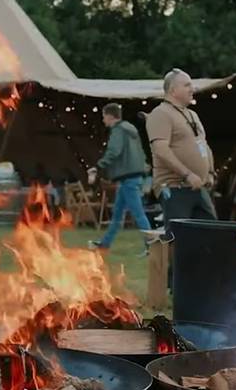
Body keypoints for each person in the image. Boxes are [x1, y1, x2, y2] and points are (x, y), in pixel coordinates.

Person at [145, 68, 217, 227]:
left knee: (211, 234)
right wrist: (187, 175)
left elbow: (203, 145)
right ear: (173, 90)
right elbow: (161, 150)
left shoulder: (192, 114)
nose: (193, 89)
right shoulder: (160, 113)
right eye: (187, 85)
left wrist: (210, 172)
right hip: (174, 187)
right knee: (180, 238)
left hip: (198, 187)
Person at [87, 103, 152, 253]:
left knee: (138, 214)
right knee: (117, 215)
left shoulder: (118, 130)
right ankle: (105, 244)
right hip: (130, 177)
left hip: (128, 179)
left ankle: (152, 245)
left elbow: (114, 151)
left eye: (103, 116)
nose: (103, 120)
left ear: (110, 116)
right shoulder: (130, 130)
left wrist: (98, 166)